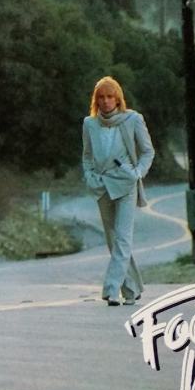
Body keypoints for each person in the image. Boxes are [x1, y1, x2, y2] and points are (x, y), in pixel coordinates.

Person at [82, 76, 154, 306]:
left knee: (123, 238)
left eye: (110, 96)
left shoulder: (132, 119)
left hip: (126, 185)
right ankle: (131, 290)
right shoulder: (90, 124)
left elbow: (148, 151)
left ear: (118, 99)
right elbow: (87, 155)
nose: (105, 101)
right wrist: (90, 177)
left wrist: (137, 173)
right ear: (96, 100)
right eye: (101, 97)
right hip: (102, 186)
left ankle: (111, 289)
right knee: (113, 240)